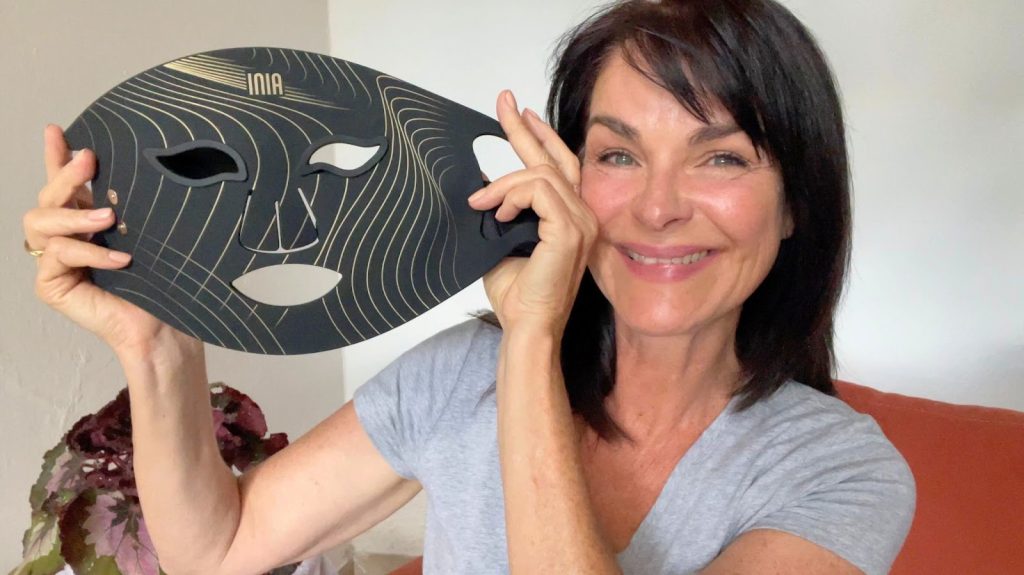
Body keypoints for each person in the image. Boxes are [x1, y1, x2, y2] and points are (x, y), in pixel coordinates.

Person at [22, 0, 915, 573]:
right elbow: (216, 549)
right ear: (566, 173)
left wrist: (532, 341)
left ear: (796, 203)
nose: (657, 206)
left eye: (720, 157)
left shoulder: (839, 473)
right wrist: (157, 341)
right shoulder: (456, 378)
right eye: (617, 155)